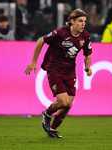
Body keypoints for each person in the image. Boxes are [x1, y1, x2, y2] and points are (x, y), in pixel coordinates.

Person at [24, 8, 92, 138]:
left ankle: (52, 130)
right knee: (63, 102)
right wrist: (34, 61)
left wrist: (87, 67)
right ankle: (46, 113)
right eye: (80, 21)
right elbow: (40, 40)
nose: (83, 24)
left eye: (84, 21)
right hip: (54, 69)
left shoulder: (85, 36)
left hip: (70, 71)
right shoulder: (60, 32)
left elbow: (88, 55)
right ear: (72, 21)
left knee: (68, 105)